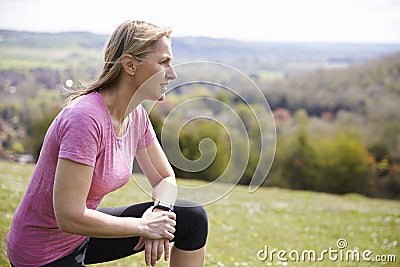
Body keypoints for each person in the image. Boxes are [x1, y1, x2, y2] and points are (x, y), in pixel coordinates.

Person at [6, 20, 208, 267]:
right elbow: (68, 216)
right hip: (42, 253)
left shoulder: (136, 116)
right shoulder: (85, 119)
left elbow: (164, 178)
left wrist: (160, 213)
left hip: (82, 236)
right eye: (163, 62)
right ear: (130, 65)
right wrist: (143, 226)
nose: (172, 73)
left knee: (193, 217)